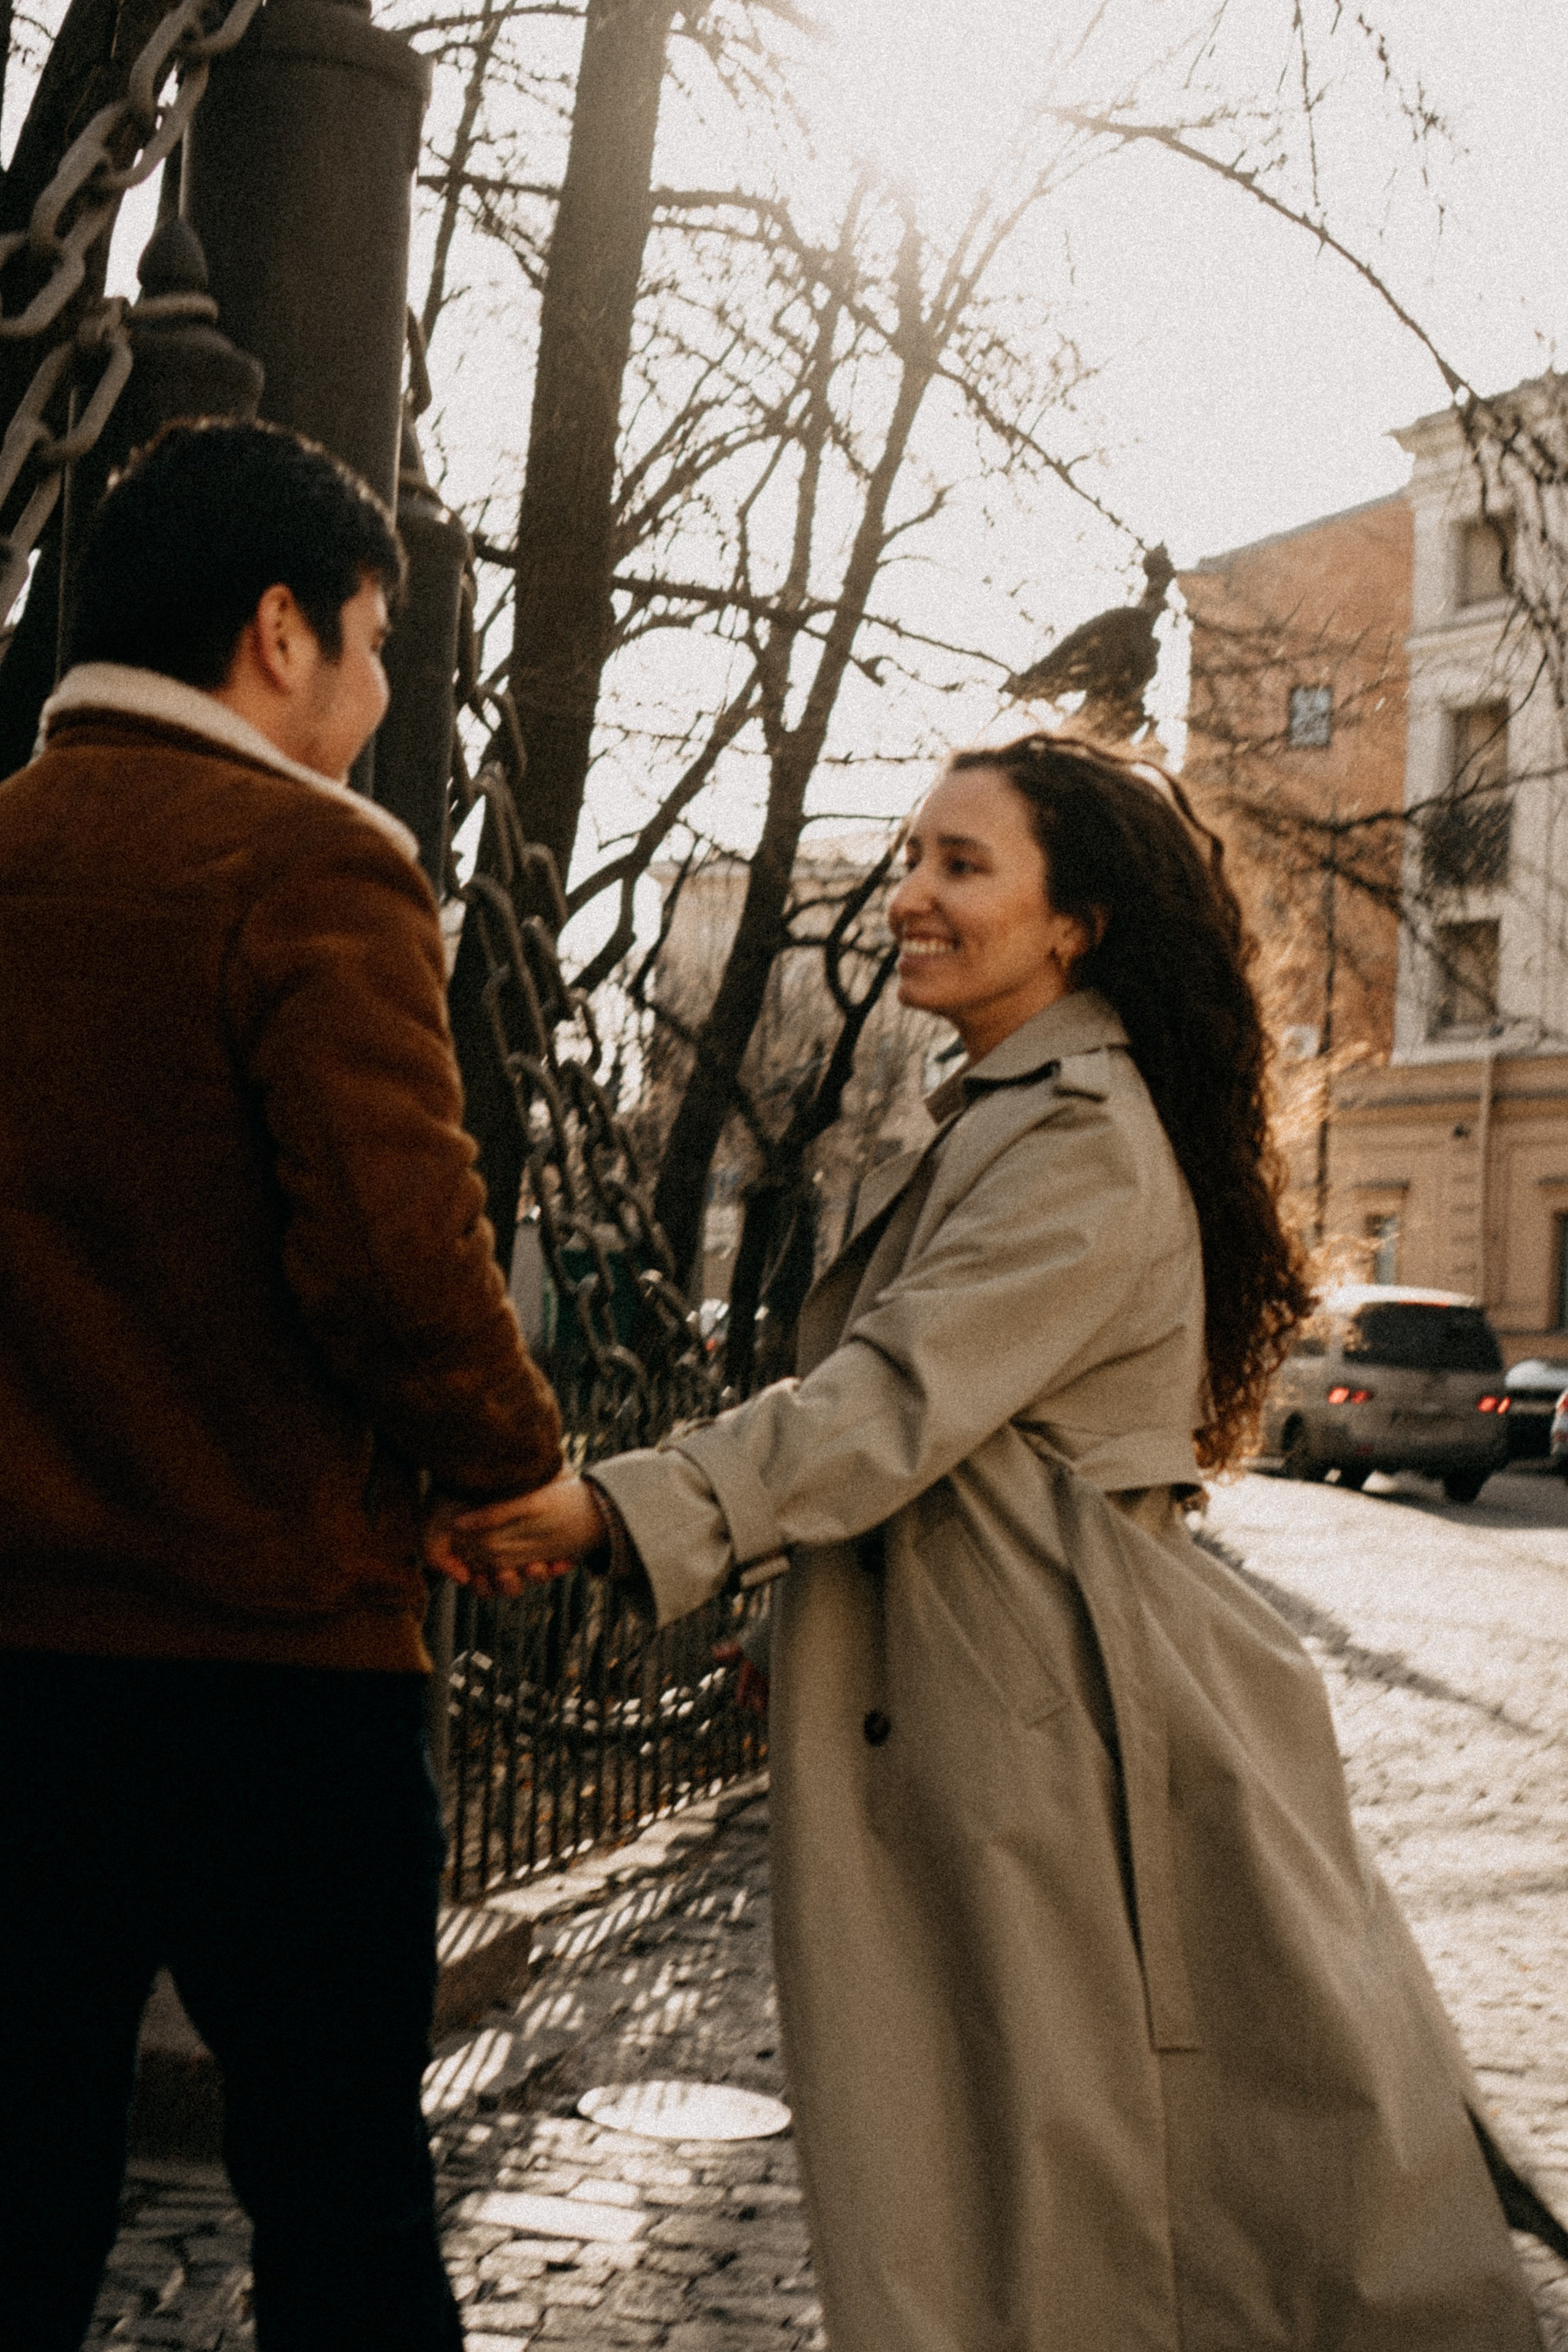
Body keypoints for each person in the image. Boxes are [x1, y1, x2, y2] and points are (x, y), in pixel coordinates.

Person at [435, 734, 1559, 2349]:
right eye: (914, 859)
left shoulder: (1079, 1137)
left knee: (1061, 2188)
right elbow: (926, 1435)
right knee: (1016, 2171)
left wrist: (619, 1508)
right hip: (1009, 1686)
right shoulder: (1014, 1116)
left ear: (1075, 920)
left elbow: (891, 1401)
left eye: (964, 867)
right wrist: (776, 1638)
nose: (911, 899)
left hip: (1052, 1725)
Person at [0, 418, 564, 2351]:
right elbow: (402, 1257)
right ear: (277, 633)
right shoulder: (315, 868)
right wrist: (510, 1476)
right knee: (338, 2198)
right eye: (379, 641)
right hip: (273, 1680)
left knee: (15, 2188)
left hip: (10, 1665)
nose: (387, 690)